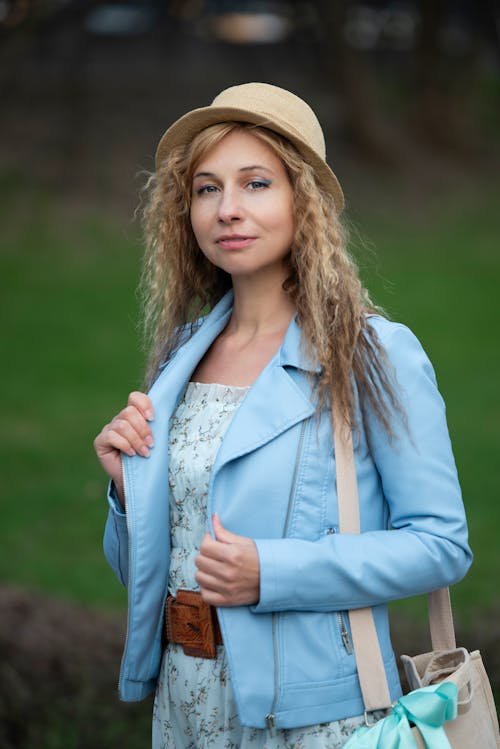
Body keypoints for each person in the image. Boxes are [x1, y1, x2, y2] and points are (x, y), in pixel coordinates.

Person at [93, 83, 472, 749]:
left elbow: (442, 545)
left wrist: (272, 571)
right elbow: (158, 569)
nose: (227, 209)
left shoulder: (374, 354)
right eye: (206, 189)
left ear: (306, 201)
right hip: (184, 709)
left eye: (256, 183)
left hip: (313, 721)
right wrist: (128, 494)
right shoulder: (183, 354)